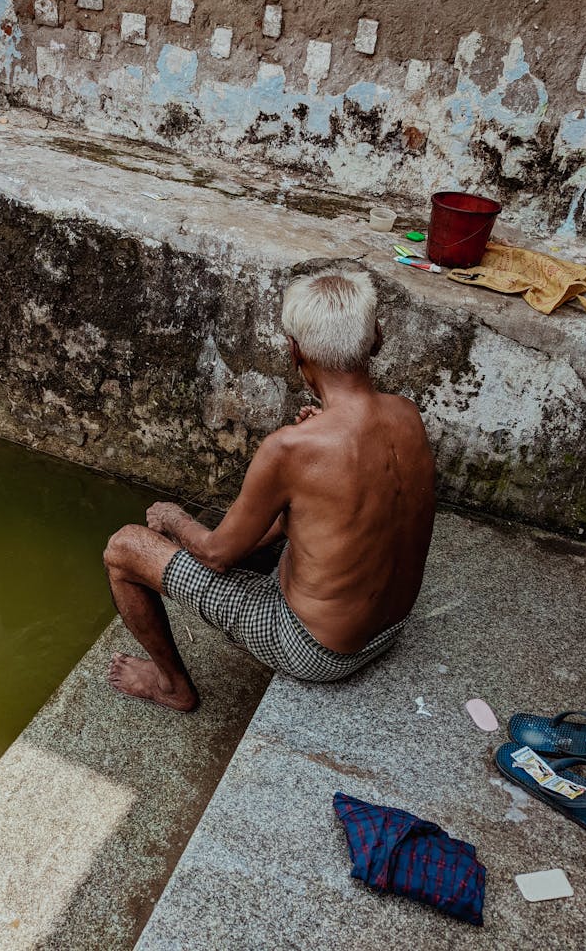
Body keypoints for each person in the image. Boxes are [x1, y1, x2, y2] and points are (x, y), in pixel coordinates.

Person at [102, 269, 436, 712]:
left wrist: (173, 519)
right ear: (375, 338)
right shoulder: (407, 414)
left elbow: (218, 554)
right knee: (294, 519)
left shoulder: (290, 448)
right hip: (390, 628)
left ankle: (172, 686)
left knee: (123, 548)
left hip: (318, 652)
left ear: (294, 350)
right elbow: (338, 501)